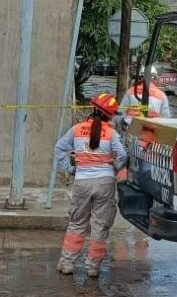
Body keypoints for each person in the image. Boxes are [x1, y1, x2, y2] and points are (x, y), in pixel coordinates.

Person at [54, 93, 128, 277]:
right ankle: (93, 267)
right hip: (105, 183)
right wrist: (115, 168)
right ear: (110, 115)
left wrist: (70, 168)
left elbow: (59, 149)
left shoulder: (77, 129)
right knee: (100, 226)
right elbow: (123, 156)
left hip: (82, 182)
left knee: (76, 223)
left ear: (93, 109)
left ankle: (67, 263)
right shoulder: (112, 134)